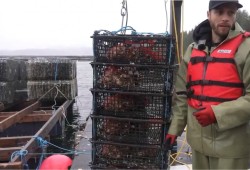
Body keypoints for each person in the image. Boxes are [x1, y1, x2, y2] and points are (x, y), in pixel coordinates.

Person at [165, 0, 250, 169]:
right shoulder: (192, 49)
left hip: (232, 147)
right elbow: (182, 95)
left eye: (231, 13)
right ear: (208, 14)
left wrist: (217, 113)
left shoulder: (246, 48)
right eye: (219, 12)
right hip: (198, 145)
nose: (225, 18)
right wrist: (175, 128)